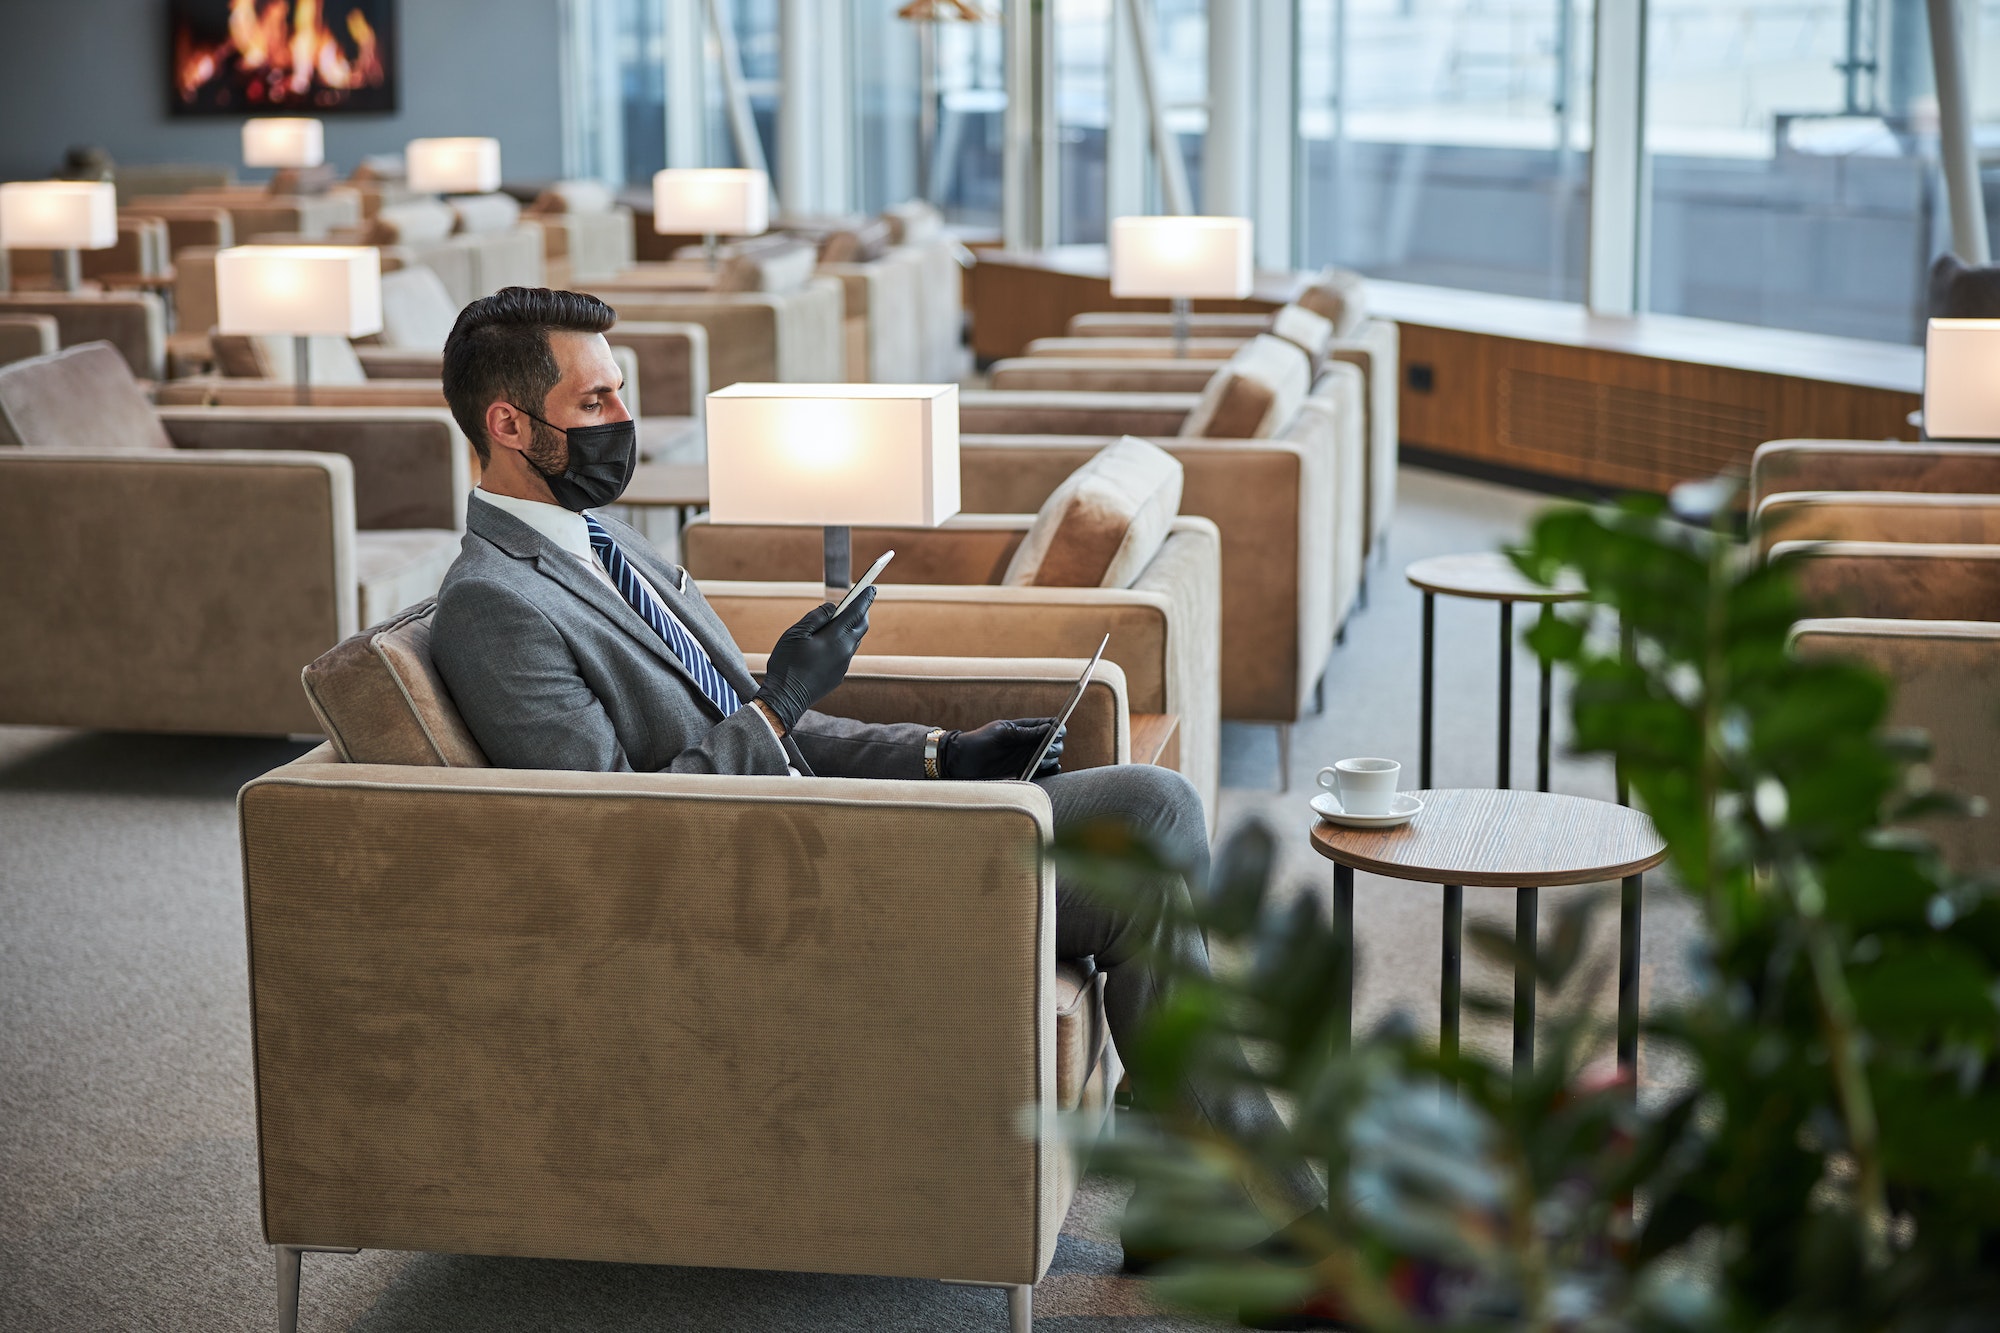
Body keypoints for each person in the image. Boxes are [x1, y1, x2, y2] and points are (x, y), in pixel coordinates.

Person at [429, 287, 1322, 1269]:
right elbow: (606, 831)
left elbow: (750, 722)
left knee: (1152, 807)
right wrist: (782, 701)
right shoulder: (493, 602)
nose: (623, 423)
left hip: (824, 822)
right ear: (508, 424)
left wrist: (945, 753)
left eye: (622, 394)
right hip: (766, 885)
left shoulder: (604, 539)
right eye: (594, 402)